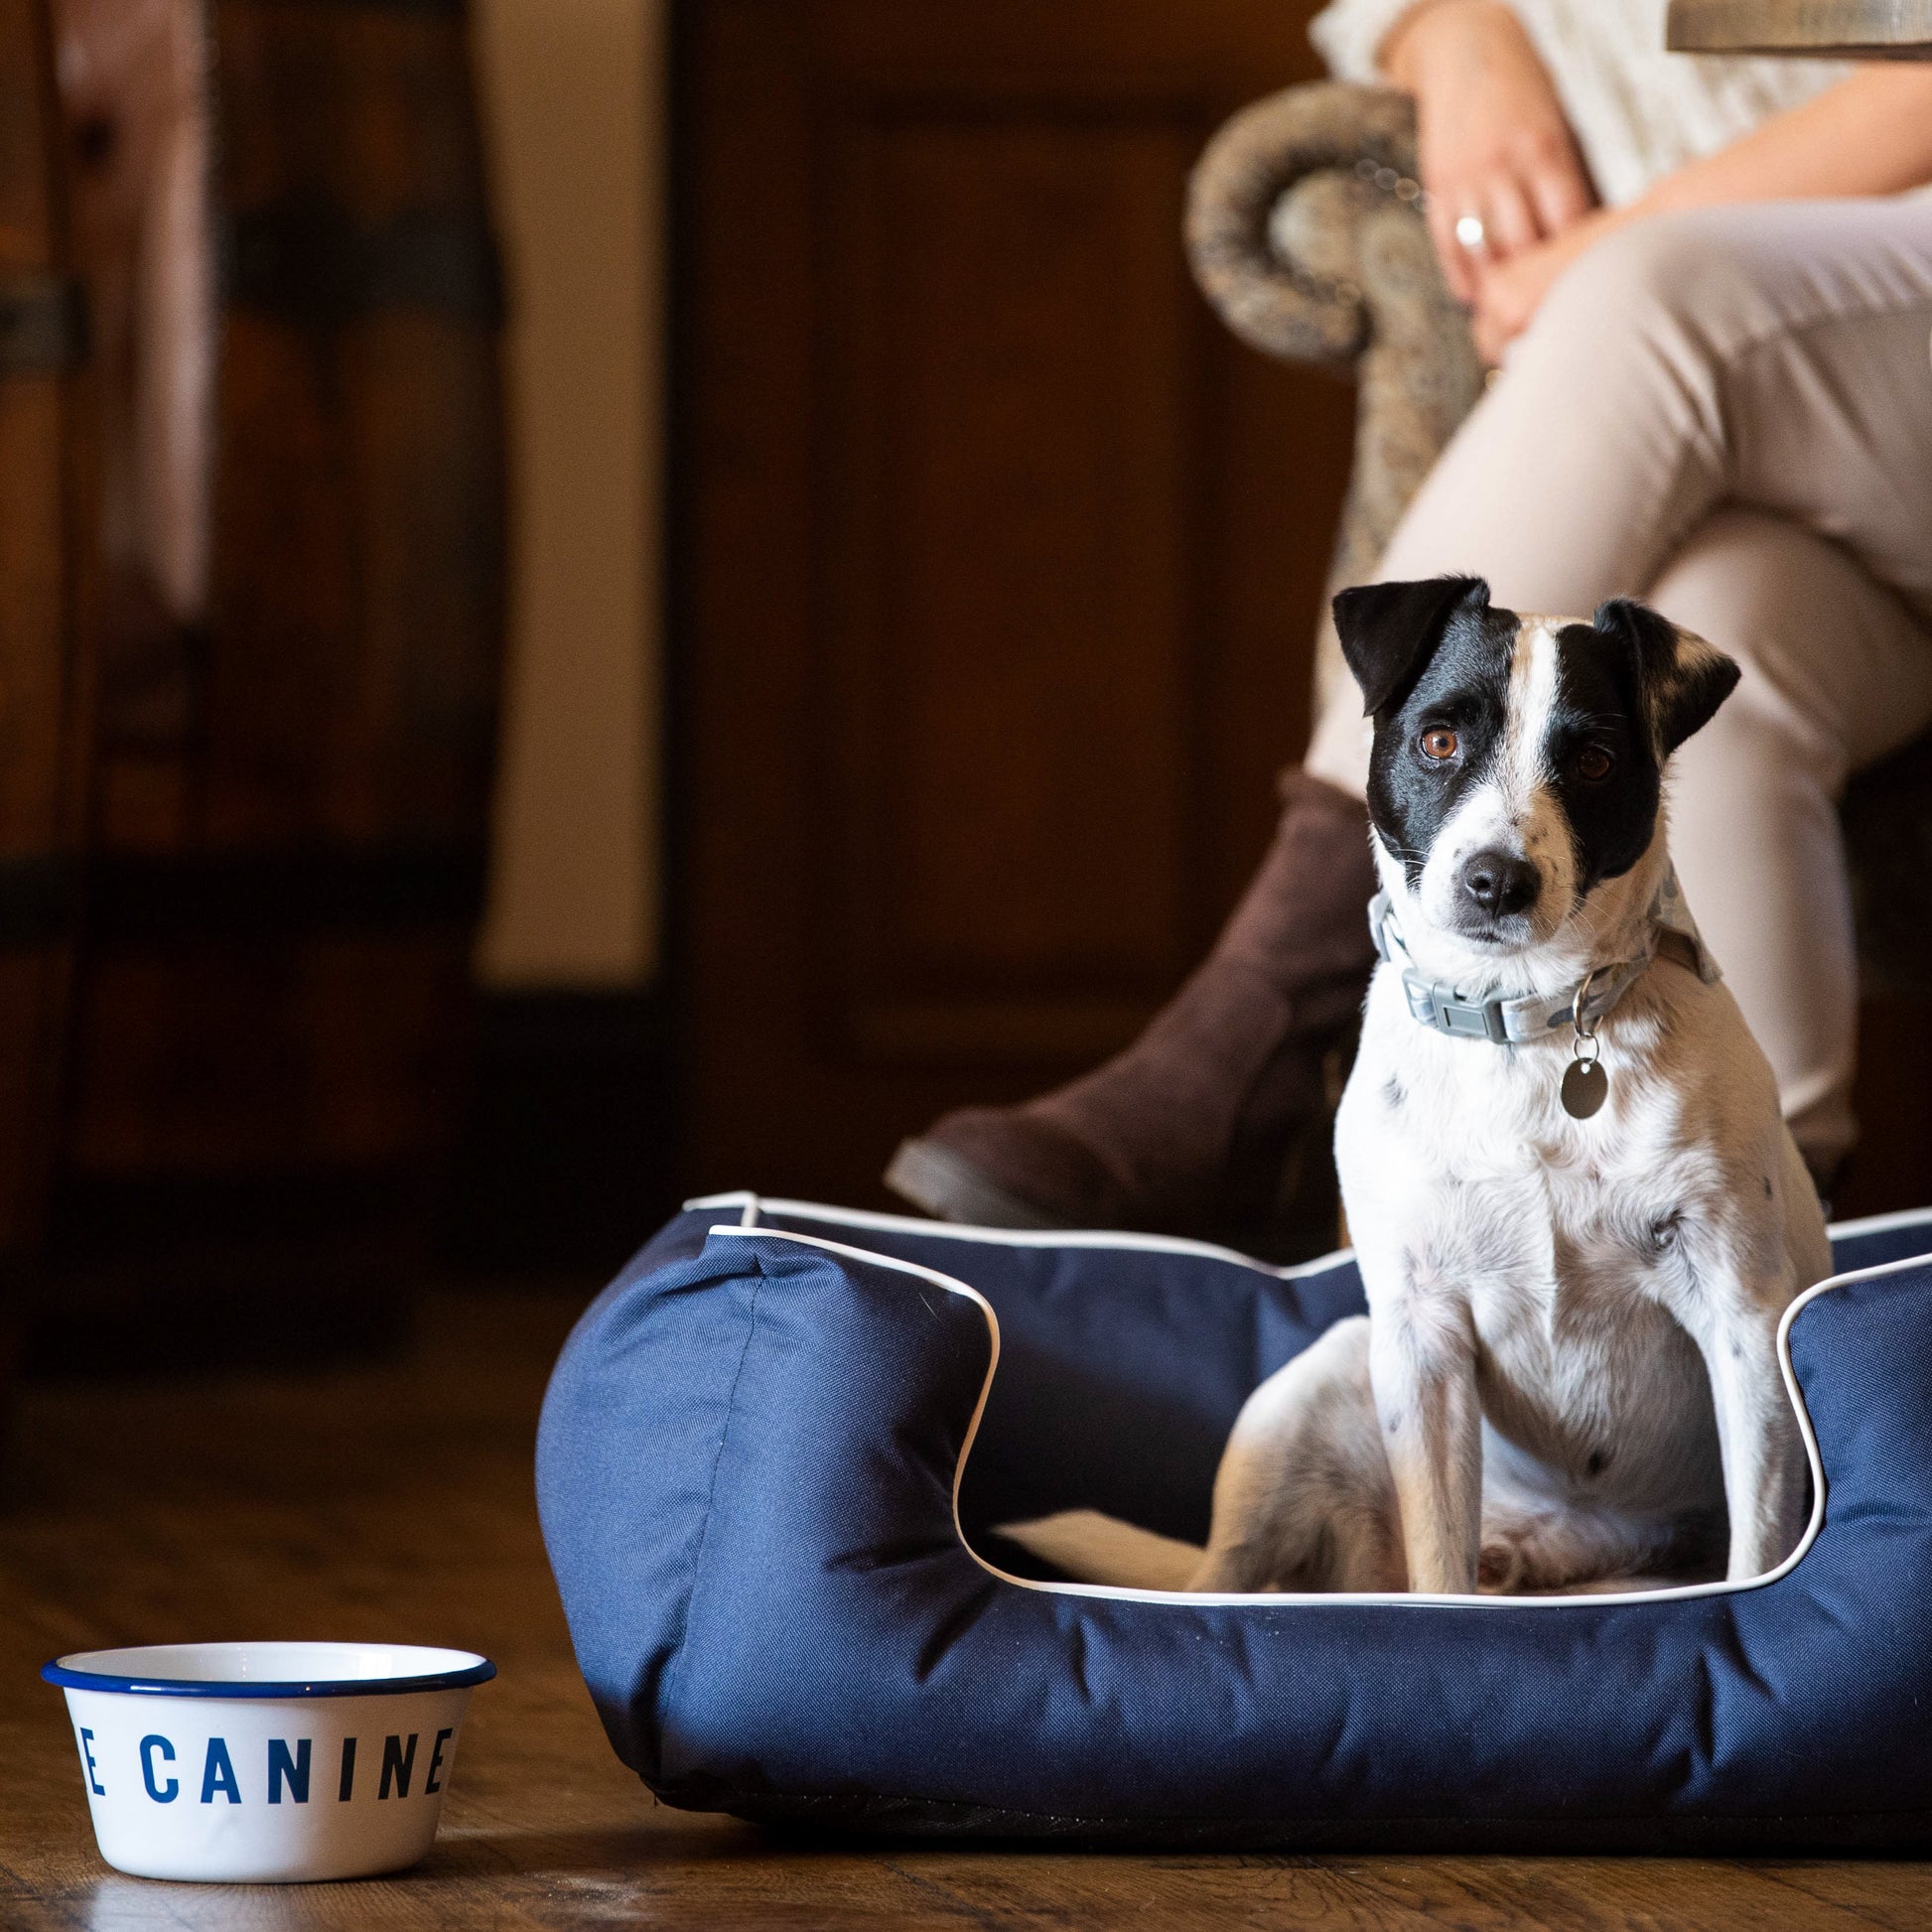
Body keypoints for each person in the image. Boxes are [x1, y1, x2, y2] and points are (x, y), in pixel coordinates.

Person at [887, 0, 1932, 1253]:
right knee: (1722, 639)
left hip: (1779, 316)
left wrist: (1613, 249)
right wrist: (1452, 31)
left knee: (1655, 302)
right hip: (1818, 448)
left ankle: (1261, 1031)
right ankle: (1798, 1281)